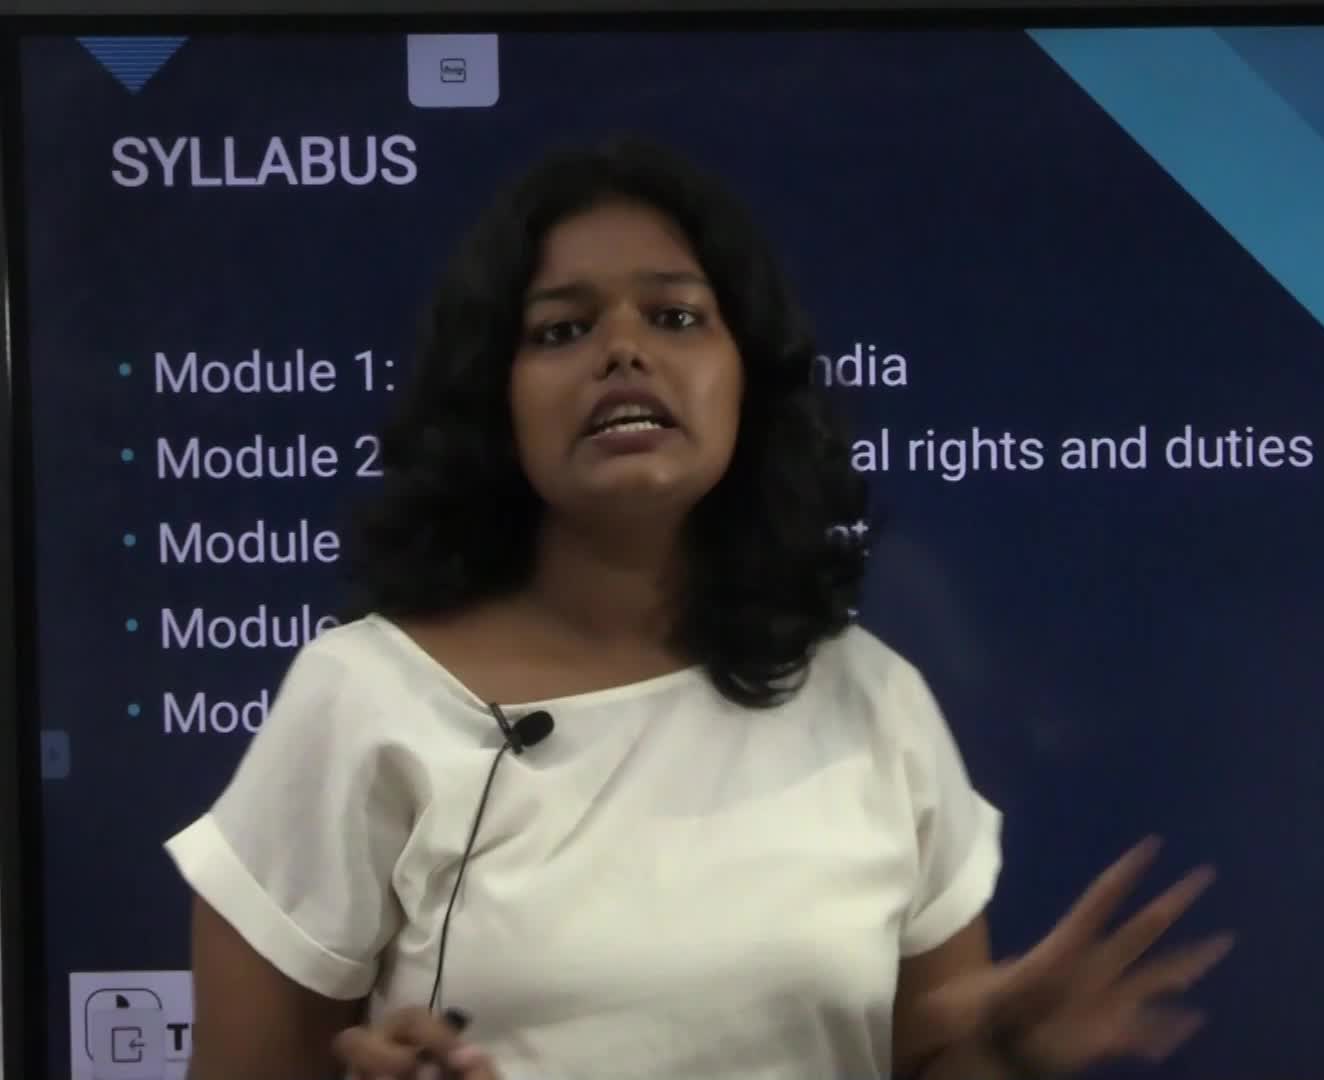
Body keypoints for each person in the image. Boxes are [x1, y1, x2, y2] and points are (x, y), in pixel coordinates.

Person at [163, 136, 1232, 1080]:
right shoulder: (365, 698)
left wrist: (1006, 1058)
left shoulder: (872, 700)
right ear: (493, 400)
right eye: (560, 330)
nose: (623, 350)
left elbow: (926, 1060)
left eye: (676, 316)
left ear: (746, 380)